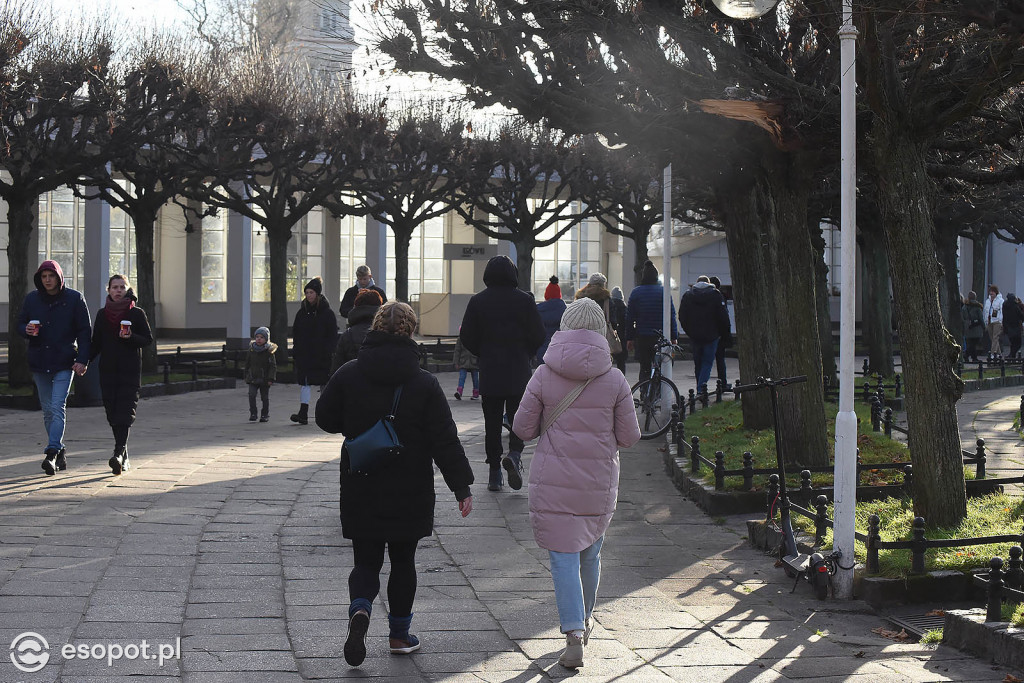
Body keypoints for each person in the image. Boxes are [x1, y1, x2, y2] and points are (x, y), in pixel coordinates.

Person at [315, 301, 474, 667]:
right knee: (404, 561)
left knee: (365, 560)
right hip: (411, 485)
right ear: (411, 331)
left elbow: (324, 416)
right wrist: (461, 486)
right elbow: (444, 440)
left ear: (375, 327)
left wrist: (355, 424)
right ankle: (400, 635)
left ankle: (360, 609)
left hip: (362, 480)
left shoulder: (350, 372)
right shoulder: (424, 383)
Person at [512, 297, 641, 670]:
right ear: (602, 330)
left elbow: (522, 428)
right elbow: (630, 437)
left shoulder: (542, 374)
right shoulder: (615, 379)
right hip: (598, 483)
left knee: (562, 558)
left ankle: (572, 636)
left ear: (564, 329)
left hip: (553, 482)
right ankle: (584, 625)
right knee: (591, 553)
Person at [460, 255, 545, 492]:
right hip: (517, 369)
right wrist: (525, 352)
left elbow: (466, 335)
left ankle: (494, 472)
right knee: (518, 417)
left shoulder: (478, 302)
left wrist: (483, 351)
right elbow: (538, 334)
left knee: (492, 421)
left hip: (491, 369)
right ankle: (515, 454)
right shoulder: (525, 301)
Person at [17, 259, 91, 476]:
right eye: (44, 276)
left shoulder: (74, 299)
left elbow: (85, 332)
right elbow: (20, 323)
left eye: (51, 276)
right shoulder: (32, 299)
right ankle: (60, 450)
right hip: (39, 361)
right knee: (48, 410)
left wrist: (83, 360)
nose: (48, 280)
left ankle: (50, 453)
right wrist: (26, 329)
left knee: (58, 406)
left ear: (59, 277)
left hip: (64, 361)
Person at [89, 274, 153, 474]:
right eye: (114, 287)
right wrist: (82, 361)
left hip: (129, 370)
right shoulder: (102, 314)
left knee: (125, 411)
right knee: (112, 412)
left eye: (121, 287)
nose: (118, 291)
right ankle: (123, 453)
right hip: (108, 370)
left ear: (127, 289)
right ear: (108, 290)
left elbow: (147, 339)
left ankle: (117, 452)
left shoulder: (137, 313)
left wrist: (131, 336)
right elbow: (96, 344)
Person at [291, 277, 338, 425]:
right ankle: (303, 412)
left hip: (321, 354)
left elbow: (332, 335)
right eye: (307, 292)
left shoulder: (327, 313)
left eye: (311, 292)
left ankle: (325, 412)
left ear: (317, 294)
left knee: (324, 383)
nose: (309, 295)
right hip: (305, 355)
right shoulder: (302, 313)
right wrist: (297, 350)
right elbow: (296, 333)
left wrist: (329, 351)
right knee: (305, 383)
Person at [624, 260, 677, 385]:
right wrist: (674, 336)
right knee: (661, 365)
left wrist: (629, 338)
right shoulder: (664, 292)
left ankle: (644, 391)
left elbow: (630, 318)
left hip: (643, 336)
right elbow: (671, 315)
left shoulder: (636, 292)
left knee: (645, 366)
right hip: (661, 336)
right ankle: (657, 392)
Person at [679, 275, 730, 396]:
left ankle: (700, 387)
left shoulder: (688, 296)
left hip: (695, 335)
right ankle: (701, 388)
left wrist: (689, 331)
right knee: (707, 362)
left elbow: (682, 316)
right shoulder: (716, 295)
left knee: (698, 363)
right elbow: (723, 317)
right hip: (712, 335)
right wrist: (722, 333)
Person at [332, 289, 383, 373]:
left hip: (352, 382)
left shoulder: (347, 335)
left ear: (356, 307)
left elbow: (336, 369)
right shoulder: (387, 333)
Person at [245, 326, 277, 423]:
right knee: (251, 395)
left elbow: (273, 366)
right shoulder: (251, 350)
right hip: (253, 378)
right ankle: (253, 413)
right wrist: (246, 375)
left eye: (262, 337)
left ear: (266, 339)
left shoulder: (269, 351)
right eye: (257, 337)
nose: (259, 339)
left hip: (265, 379)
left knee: (264, 397)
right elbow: (247, 363)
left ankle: (265, 414)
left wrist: (271, 378)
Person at [536, 276, 566, 364]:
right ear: (559, 294)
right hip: (560, 352)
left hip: (541, 352)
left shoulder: (538, 309)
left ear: (547, 294)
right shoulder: (565, 310)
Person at [708, 276, 731, 387]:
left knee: (704, 362)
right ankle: (723, 383)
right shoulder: (719, 297)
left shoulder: (705, 296)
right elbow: (724, 318)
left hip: (706, 333)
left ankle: (701, 386)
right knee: (720, 360)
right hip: (718, 334)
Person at [452, 332, 479, 400]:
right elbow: (457, 351)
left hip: (474, 361)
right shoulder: (461, 338)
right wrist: (456, 362)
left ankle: (476, 393)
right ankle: (459, 392)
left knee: (475, 379)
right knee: (462, 377)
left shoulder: (476, 338)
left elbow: (479, 350)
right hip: (463, 361)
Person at [609, 287, 628, 374]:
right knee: (621, 363)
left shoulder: (609, 305)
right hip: (622, 338)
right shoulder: (624, 307)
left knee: (609, 361)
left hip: (611, 336)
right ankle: (621, 379)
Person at [961, 291, 985, 363]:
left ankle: (973, 357)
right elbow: (980, 318)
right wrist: (983, 326)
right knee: (974, 343)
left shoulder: (965, 306)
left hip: (968, 326)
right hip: (976, 327)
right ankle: (967, 355)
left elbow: (962, 317)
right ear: (975, 297)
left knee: (971, 343)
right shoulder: (977, 307)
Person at [984, 284, 1004, 359]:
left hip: (997, 321)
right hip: (989, 321)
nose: (991, 293)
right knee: (992, 338)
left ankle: (992, 354)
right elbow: (986, 311)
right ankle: (999, 354)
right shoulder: (987, 301)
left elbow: (1002, 311)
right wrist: (986, 321)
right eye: (990, 291)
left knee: (995, 337)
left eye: (993, 292)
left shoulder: (1000, 301)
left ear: (996, 292)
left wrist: (1001, 321)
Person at [1004, 294, 1024, 360]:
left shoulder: (1005, 306)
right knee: (1018, 343)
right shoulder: (1015, 306)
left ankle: (1012, 356)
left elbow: (1004, 317)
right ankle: (1012, 355)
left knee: (1012, 343)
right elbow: (1021, 315)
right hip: (1016, 327)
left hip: (1008, 327)